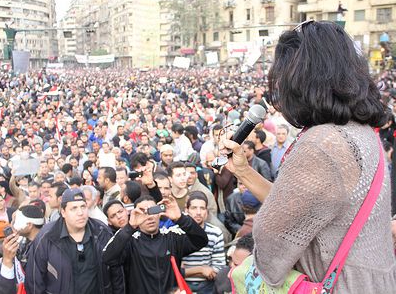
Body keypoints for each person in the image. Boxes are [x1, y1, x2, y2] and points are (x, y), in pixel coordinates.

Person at [220, 21, 396, 293]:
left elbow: (271, 243)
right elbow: (299, 207)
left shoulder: (323, 143)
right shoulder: (361, 134)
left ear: (301, 78)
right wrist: (243, 171)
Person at [102, 195, 208, 294]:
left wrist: (180, 218)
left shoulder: (172, 237)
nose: (149, 217)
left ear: (159, 213)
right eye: (143, 213)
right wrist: (130, 227)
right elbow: (108, 258)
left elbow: (201, 240)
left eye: (153, 211)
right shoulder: (130, 241)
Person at [25, 188, 124, 294]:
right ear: (63, 212)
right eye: (74, 208)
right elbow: (34, 281)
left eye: (83, 207)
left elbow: (116, 273)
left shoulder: (101, 231)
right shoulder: (46, 237)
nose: (80, 213)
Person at [182, 192, 225, 294]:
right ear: (186, 210)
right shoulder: (177, 232)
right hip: (182, 284)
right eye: (194, 208)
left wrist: (186, 272)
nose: (198, 212)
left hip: (207, 285)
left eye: (202, 208)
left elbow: (219, 268)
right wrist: (201, 270)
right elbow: (172, 271)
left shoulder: (215, 232)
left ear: (207, 211)